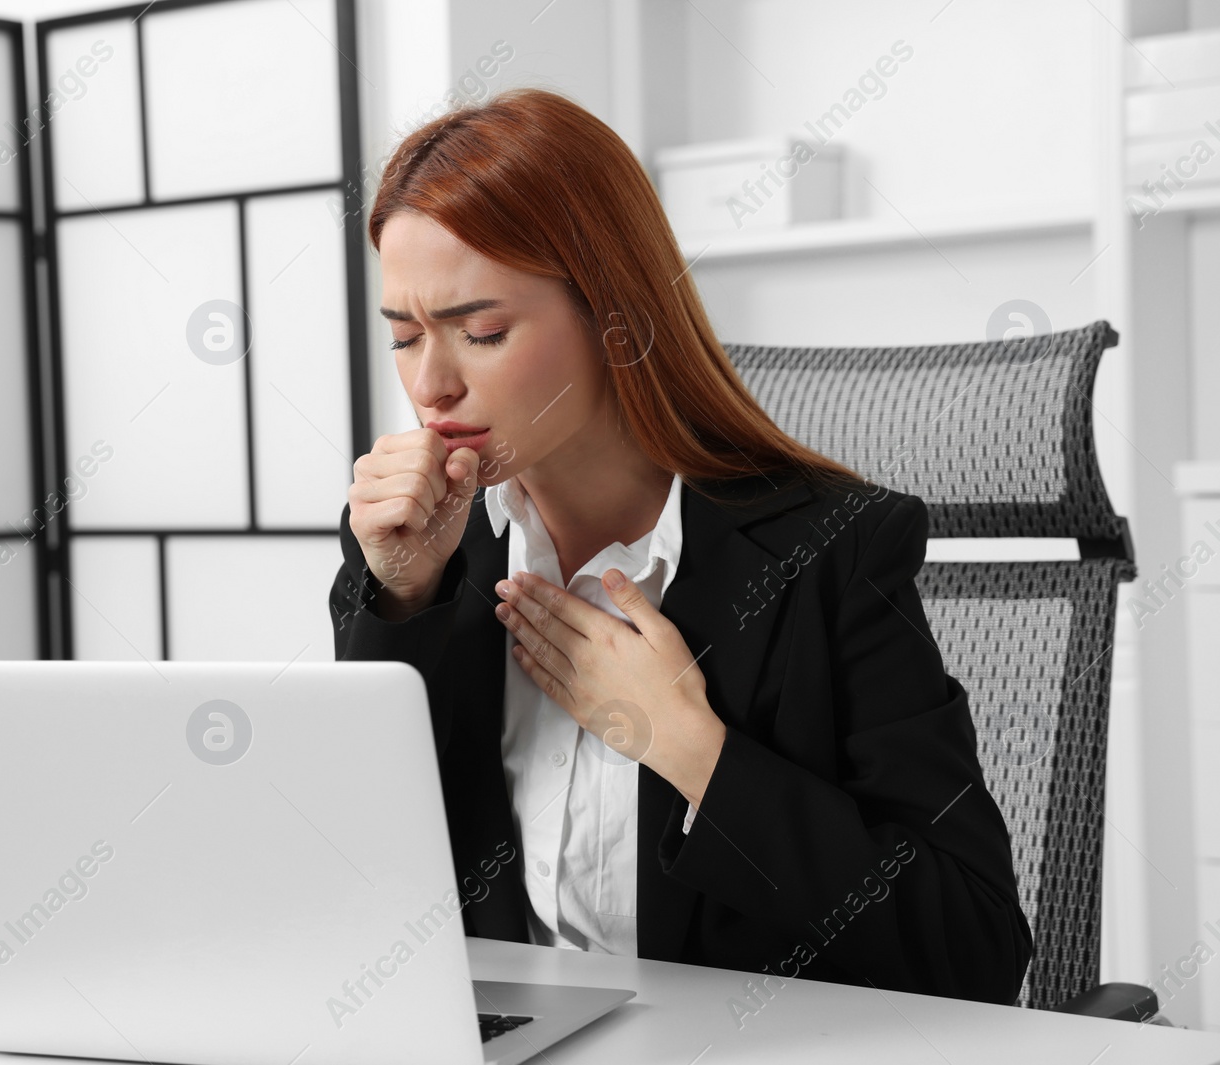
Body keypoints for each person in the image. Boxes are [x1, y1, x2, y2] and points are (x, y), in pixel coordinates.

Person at [328, 87, 1031, 1006]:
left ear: (614, 318)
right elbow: (360, 891)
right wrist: (402, 605)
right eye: (405, 336)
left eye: (482, 331)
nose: (431, 384)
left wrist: (692, 749)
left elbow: (972, 950)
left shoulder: (832, 553)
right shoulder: (414, 551)